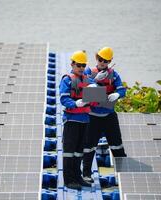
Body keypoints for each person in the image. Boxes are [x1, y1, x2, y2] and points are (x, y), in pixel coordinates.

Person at [82, 47, 127, 183]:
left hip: (109, 115)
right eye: (100, 59)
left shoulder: (114, 75)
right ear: (97, 58)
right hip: (93, 116)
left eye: (106, 61)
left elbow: (122, 89)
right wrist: (94, 80)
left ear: (110, 61)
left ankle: (124, 175)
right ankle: (86, 174)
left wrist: (118, 94)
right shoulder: (88, 72)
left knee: (117, 146)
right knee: (89, 147)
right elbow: (82, 87)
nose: (102, 62)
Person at [59, 50, 95, 190]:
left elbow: (96, 99)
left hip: (85, 120)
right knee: (69, 151)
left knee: (79, 151)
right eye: (78, 65)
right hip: (72, 120)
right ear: (72, 64)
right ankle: (69, 180)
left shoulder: (88, 80)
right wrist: (75, 103)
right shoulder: (67, 79)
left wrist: (96, 89)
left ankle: (78, 177)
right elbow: (63, 98)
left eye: (83, 65)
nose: (81, 68)